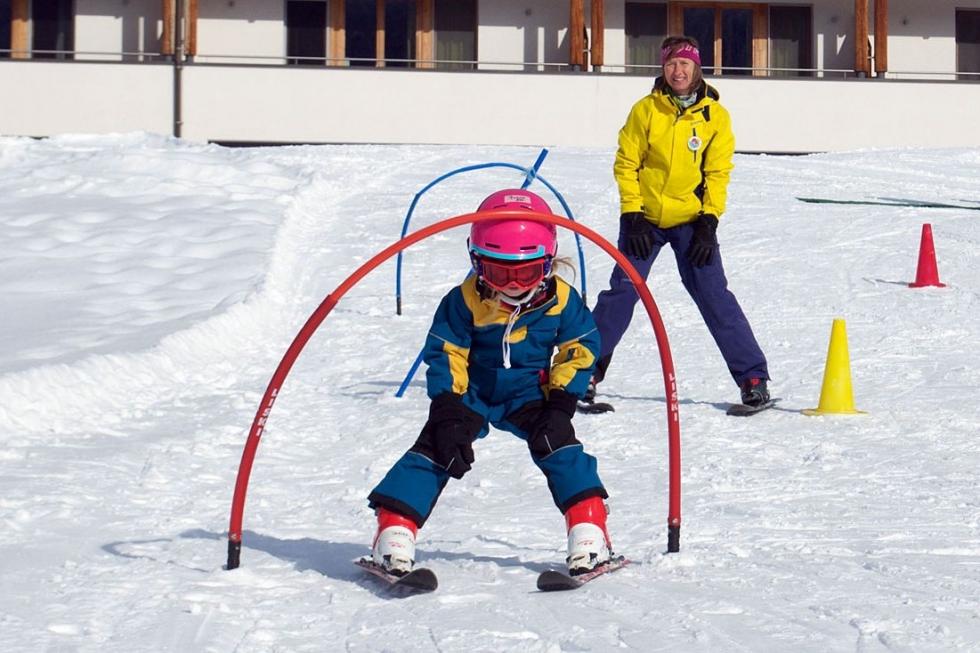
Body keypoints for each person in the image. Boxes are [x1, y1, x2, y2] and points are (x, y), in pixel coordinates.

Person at [366, 189, 614, 577]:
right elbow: (447, 351)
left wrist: (562, 403)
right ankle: (394, 529)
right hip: (473, 392)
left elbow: (580, 346)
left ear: (546, 264)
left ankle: (589, 527)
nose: (513, 285)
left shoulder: (561, 300)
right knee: (436, 447)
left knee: (559, 445)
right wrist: (447, 407)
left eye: (526, 272)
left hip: (530, 393)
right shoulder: (464, 301)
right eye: (499, 273)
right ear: (477, 263)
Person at [585, 35, 770, 408]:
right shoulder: (646, 110)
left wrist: (709, 221)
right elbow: (627, 164)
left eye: (684, 63)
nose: (677, 70)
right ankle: (584, 371)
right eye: (671, 64)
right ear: (663, 68)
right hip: (645, 221)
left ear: (697, 67)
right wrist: (632, 213)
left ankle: (753, 377)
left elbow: (717, 172)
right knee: (622, 292)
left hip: (691, 222)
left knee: (714, 295)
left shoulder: (715, 116)